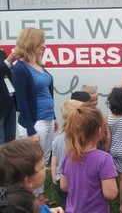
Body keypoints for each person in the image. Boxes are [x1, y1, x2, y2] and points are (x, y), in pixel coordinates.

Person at [11, 27, 58, 205]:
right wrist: (31, 129)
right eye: (41, 42)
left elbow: (47, 93)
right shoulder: (20, 69)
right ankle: (30, 200)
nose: (44, 46)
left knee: (43, 161)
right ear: (31, 43)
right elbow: (21, 102)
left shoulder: (38, 65)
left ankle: (40, 197)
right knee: (33, 163)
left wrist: (53, 117)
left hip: (46, 119)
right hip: (33, 123)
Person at [60, 104, 118, 213]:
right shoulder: (104, 159)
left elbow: (63, 186)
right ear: (99, 131)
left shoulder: (68, 155)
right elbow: (111, 194)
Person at [0, 139, 64, 213]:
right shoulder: (29, 207)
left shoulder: (13, 204)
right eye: (42, 167)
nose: (45, 168)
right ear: (28, 181)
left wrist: (48, 210)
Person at [51, 99, 84, 209]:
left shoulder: (58, 138)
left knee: (68, 207)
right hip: (75, 181)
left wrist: (54, 177)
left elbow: (54, 159)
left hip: (60, 179)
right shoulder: (81, 139)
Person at [0, 49, 17, 143]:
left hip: (9, 104)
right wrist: (8, 61)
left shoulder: (2, 53)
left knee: (10, 146)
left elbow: (7, 74)